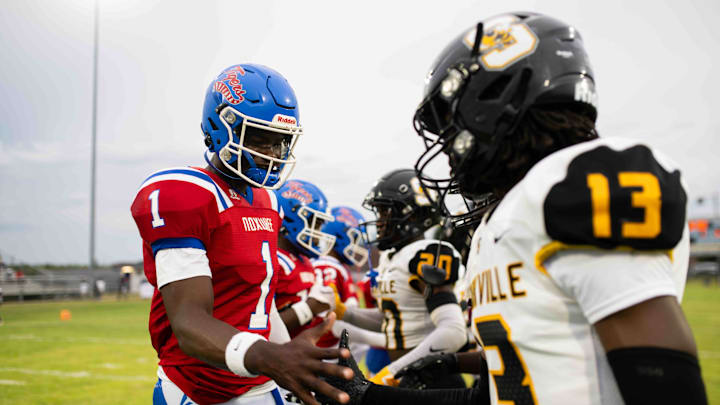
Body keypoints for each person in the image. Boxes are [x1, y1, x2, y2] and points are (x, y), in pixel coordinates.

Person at [323, 11, 708, 405]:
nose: (449, 150)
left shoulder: (578, 184)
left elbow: (666, 387)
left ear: (497, 106)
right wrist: (366, 395)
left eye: (453, 127)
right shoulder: (506, 219)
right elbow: (494, 396)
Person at [130, 64, 352, 405]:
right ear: (221, 126)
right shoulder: (186, 193)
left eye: (281, 142)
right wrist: (271, 357)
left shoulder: (269, 202)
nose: (273, 154)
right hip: (197, 389)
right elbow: (188, 321)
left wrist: (289, 356)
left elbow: (260, 302)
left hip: (259, 382)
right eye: (262, 138)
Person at [333, 169, 468, 388]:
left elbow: (453, 331)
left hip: (434, 382)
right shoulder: (393, 256)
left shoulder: (427, 253)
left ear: (413, 215)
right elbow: (395, 319)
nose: (378, 222)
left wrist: (392, 372)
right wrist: (344, 313)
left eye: (384, 212)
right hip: (410, 380)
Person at [274, 179, 338, 338]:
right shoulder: (273, 261)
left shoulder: (304, 261)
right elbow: (262, 327)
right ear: (290, 219)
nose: (318, 235)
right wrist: (309, 308)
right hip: (277, 356)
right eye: (315, 225)